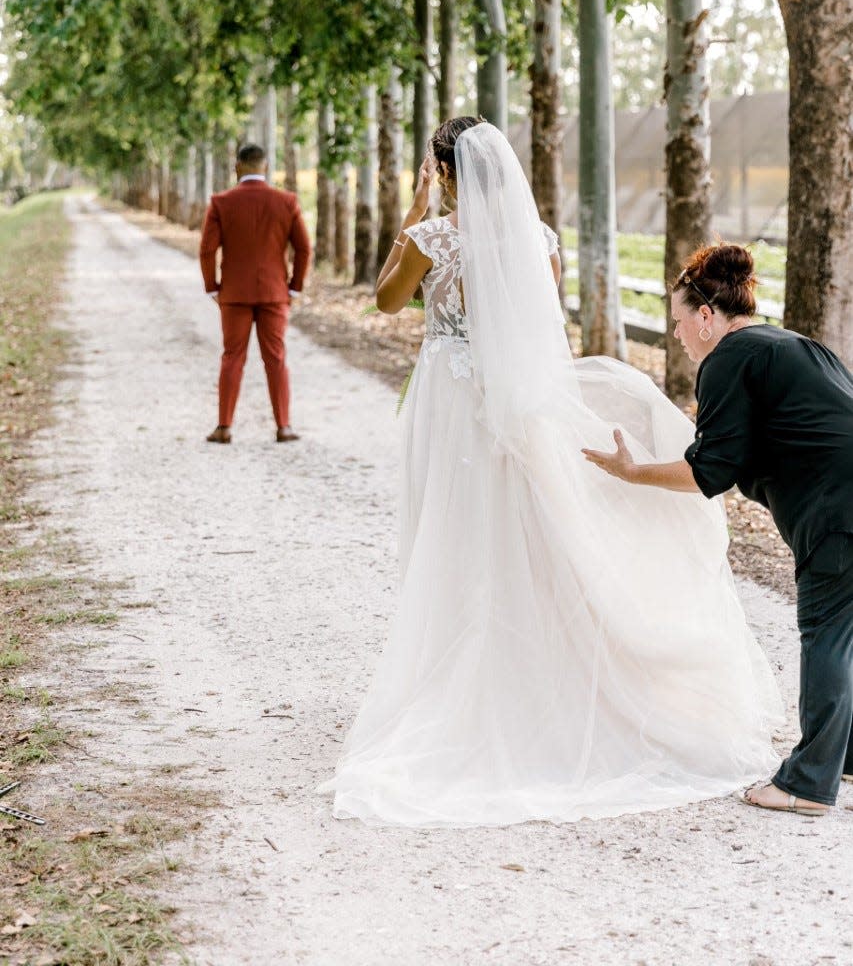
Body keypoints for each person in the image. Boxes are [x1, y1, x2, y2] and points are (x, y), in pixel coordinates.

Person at [319, 119, 781, 828]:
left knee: (455, 530)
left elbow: (386, 299)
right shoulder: (540, 242)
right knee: (526, 533)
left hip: (452, 398)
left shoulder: (430, 238)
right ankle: (539, 679)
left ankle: (466, 683)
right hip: (521, 401)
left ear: (443, 174)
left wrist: (413, 214)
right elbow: (539, 328)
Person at [583, 242, 853, 818]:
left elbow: (710, 472)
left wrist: (631, 473)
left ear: (706, 316)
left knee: (826, 631)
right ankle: (843, 755)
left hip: (836, 508)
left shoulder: (728, 358)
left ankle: (807, 783)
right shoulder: (790, 342)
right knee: (847, 629)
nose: (678, 335)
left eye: (679, 322)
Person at [199, 143, 311, 444]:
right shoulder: (286, 201)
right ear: (265, 167)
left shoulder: (221, 202)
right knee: (275, 358)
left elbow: (207, 249)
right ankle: (284, 426)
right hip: (275, 292)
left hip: (234, 293)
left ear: (238, 166)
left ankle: (223, 427)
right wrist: (294, 287)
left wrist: (212, 286)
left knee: (232, 356)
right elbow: (303, 248)